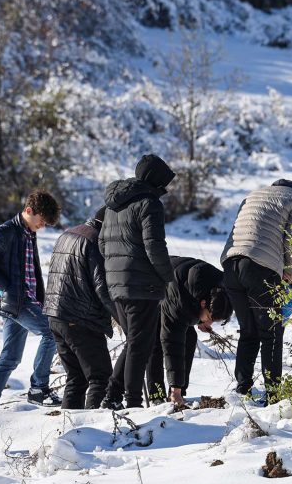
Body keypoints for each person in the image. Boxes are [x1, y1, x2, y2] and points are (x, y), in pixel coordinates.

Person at [220, 177, 292, 402]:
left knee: (248, 331)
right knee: (271, 332)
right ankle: (273, 394)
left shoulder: (253, 194)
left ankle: (242, 388)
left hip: (230, 264)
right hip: (260, 267)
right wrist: (290, 271)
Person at [100, 154, 177, 409]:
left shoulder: (113, 205)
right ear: (156, 180)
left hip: (116, 284)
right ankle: (131, 402)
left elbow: (101, 243)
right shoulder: (149, 203)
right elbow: (155, 247)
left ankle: (113, 395)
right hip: (142, 285)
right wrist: (168, 278)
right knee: (139, 345)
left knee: (135, 341)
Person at [0, 190, 62, 411]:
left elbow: (30, 272)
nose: (41, 226)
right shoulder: (6, 232)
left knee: (10, 358)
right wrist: (7, 288)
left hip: (24, 301)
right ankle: (38, 389)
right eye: (40, 221)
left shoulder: (28, 233)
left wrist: (38, 299)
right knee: (50, 333)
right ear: (29, 211)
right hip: (16, 301)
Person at [44, 207, 117, 409]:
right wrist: (123, 319)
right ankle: (92, 430)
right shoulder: (96, 241)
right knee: (100, 377)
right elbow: (102, 287)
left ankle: (71, 431)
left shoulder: (68, 233)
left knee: (76, 378)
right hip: (80, 319)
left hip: (55, 314)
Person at [138, 256, 233, 408]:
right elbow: (172, 343)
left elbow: (210, 308)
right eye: (209, 318)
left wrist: (203, 320)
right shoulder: (180, 301)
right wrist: (176, 387)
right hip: (150, 285)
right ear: (203, 303)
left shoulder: (221, 291)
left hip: (179, 282)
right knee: (156, 340)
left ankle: (179, 391)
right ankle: (157, 395)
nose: (209, 324)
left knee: (189, 337)